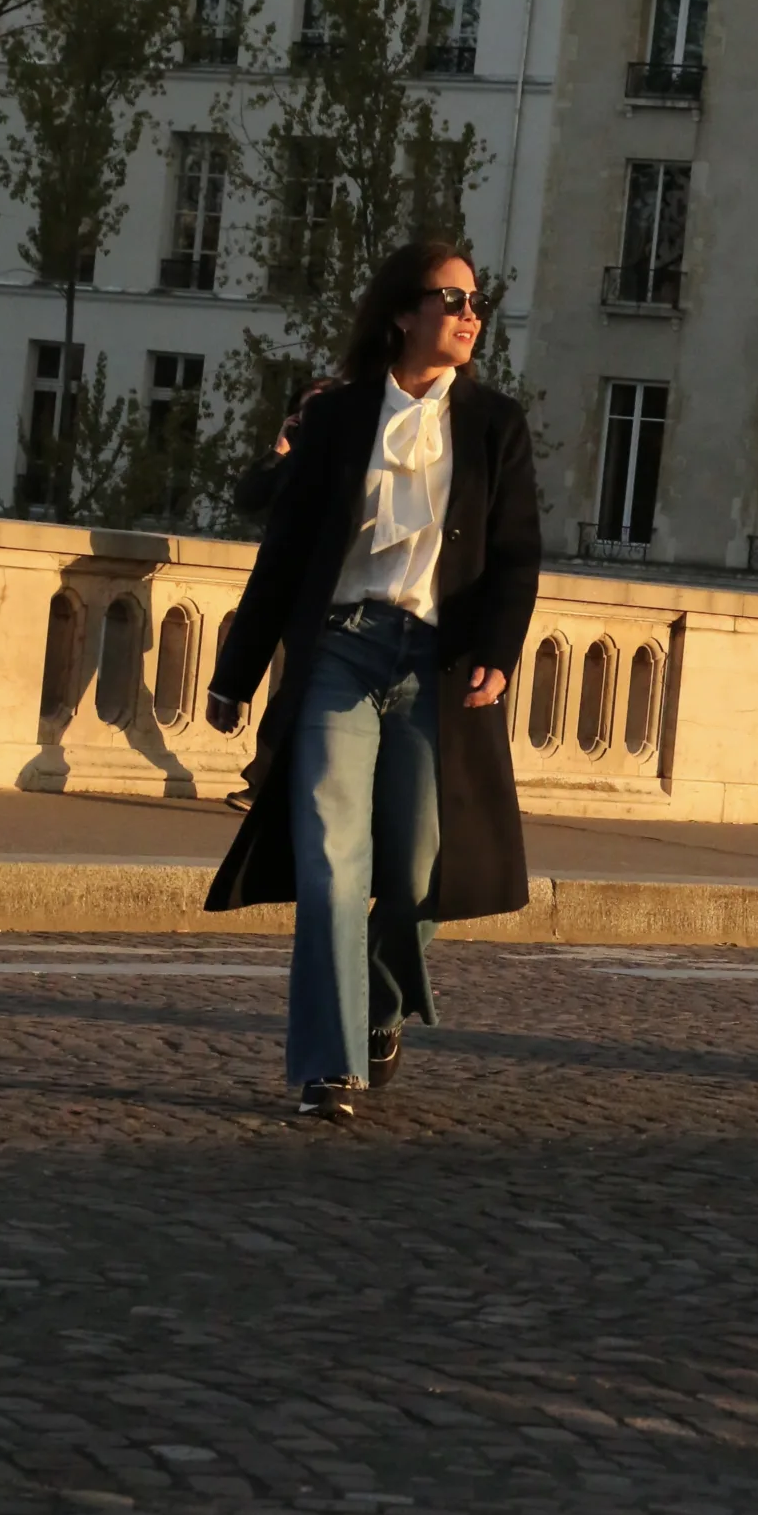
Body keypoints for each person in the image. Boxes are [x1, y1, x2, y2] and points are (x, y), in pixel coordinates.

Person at [203, 240, 540, 1120]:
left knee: (422, 870)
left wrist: (498, 654)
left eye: (477, 302)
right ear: (402, 313)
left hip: (433, 661)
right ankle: (329, 1065)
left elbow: (514, 558)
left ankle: (382, 1006)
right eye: (451, 298)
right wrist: (237, 673)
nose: (471, 316)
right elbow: (285, 551)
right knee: (330, 863)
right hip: (341, 651)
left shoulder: (496, 424)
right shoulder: (340, 417)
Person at [223, 382, 335, 810]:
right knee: (297, 685)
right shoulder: (293, 460)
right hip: (294, 592)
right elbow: (248, 497)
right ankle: (265, 779)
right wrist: (279, 449)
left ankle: (267, 779)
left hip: (333, 592)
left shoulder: (347, 461)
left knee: (303, 687)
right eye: (308, 412)